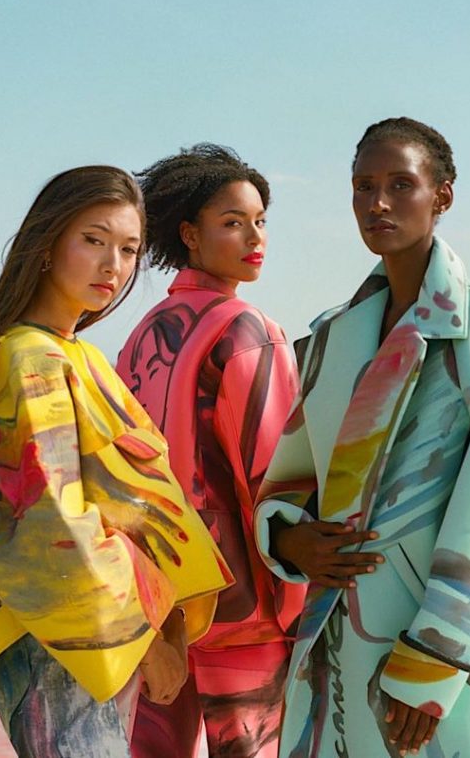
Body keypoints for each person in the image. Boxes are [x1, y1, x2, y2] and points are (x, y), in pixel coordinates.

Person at [0, 166, 234, 758]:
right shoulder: (31, 359)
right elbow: (51, 523)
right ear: (47, 246)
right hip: (66, 638)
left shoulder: (81, 357)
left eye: (128, 249)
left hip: (92, 632)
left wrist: (168, 626)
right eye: (94, 240)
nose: (113, 265)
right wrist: (145, 640)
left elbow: (140, 502)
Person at [253, 118, 470, 758]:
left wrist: (431, 660)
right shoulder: (332, 336)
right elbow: (293, 471)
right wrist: (290, 538)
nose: (377, 203)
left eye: (400, 184)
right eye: (363, 187)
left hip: (442, 643)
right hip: (336, 635)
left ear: (442, 196)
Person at [116, 144, 305, 758]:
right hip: (238, 606)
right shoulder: (246, 330)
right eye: (233, 222)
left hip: (154, 600)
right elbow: (274, 477)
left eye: (261, 221)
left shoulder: (142, 335)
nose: (255, 237)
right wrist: (300, 610)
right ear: (190, 234)